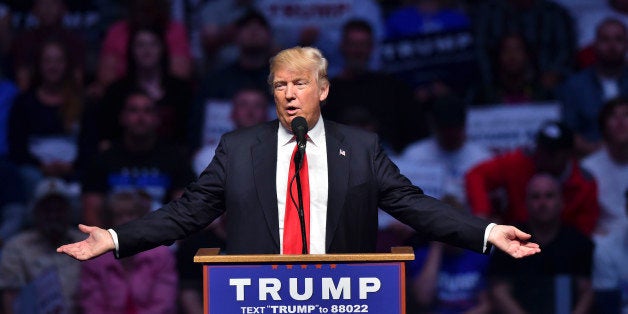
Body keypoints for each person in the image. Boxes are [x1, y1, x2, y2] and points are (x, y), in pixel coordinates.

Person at [57, 47, 539, 264]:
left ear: (323, 89)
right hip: (257, 297)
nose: (288, 94)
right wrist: (117, 237)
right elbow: (187, 214)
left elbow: (416, 206)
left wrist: (489, 231)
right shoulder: (239, 148)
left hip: (343, 298)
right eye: (279, 85)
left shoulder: (363, 148)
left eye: (299, 83)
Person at [80, 90, 195, 227]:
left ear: (157, 119)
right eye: (134, 111)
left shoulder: (175, 158)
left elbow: (184, 213)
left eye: (147, 111)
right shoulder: (104, 159)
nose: (140, 117)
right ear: (122, 118)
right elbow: (92, 214)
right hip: (113, 241)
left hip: (163, 241)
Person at [465, 120, 600, 236]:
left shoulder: (584, 183)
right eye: (541, 149)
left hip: (564, 246)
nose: (543, 156)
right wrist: (482, 212)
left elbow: (584, 230)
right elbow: (476, 175)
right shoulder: (520, 162)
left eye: (551, 153)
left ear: (568, 154)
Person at [488, 173, 594, 314]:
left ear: (561, 202)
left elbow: (586, 292)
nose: (542, 203)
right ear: (525, 203)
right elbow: (499, 292)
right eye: (535, 197)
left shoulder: (579, 242)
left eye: (549, 196)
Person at [78, 190, 178, 314]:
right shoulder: (94, 260)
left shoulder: (161, 255)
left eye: (131, 214)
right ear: (109, 222)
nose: (126, 221)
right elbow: (92, 306)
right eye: (119, 216)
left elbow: (164, 304)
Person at [0, 178, 83, 314]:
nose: (53, 215)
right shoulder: (16, 248)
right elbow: (11, 302)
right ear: (35, 212)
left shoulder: (86, 243)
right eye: (47, 209)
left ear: (70, 211)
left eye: (59, 209)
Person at [557, 18, 628, 157]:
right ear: (594, 45)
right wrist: (601, 154)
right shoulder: (574, 85)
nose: (612, 46)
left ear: (626, 45)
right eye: (605, 40)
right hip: (589, 160)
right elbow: (569, 131)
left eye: (618, 40)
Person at [582, 97, 628, 237]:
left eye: (626, 115)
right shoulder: (588, 168)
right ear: (604, 126)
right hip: (605, 238)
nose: (620, 122)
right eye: (613, 117)